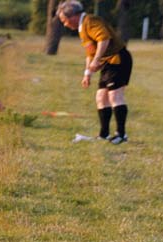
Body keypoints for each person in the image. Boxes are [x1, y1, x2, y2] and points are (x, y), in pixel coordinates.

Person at [57, 0, 133, 144]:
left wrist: (97, 59)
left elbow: (103, 38)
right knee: (100, 97)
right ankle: (103, 135)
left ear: (72, 16)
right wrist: (87, 73)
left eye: (64, 20)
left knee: (115, 95)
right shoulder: (82, 28)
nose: (64, 24)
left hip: (118, 59)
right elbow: (90, 53)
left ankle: (121, 135)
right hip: (107, 63)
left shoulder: (90, 21)